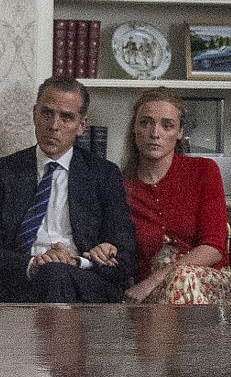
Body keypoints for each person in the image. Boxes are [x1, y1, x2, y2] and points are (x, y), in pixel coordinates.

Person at [0, 76, 135, 302]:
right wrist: (32, 263)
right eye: (47, 113)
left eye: (66, 117)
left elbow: (126, 256)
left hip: (82, 281)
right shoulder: (5, 172)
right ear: (34, 114)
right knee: (50, 273)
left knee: (56, 274)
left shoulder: (103, 174)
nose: (54, 126)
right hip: (19, 277)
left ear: (81, 126)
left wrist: (81, 260)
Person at [122, 87, 231, 304]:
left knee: (182, 277)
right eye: (146, 123)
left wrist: (159, 278)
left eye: (167, 125)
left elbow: (214, 247)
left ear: (179, 132)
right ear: (134, 127)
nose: (155, 133)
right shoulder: (122, 186)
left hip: (210, 285)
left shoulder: (203, 170)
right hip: (151, 296)